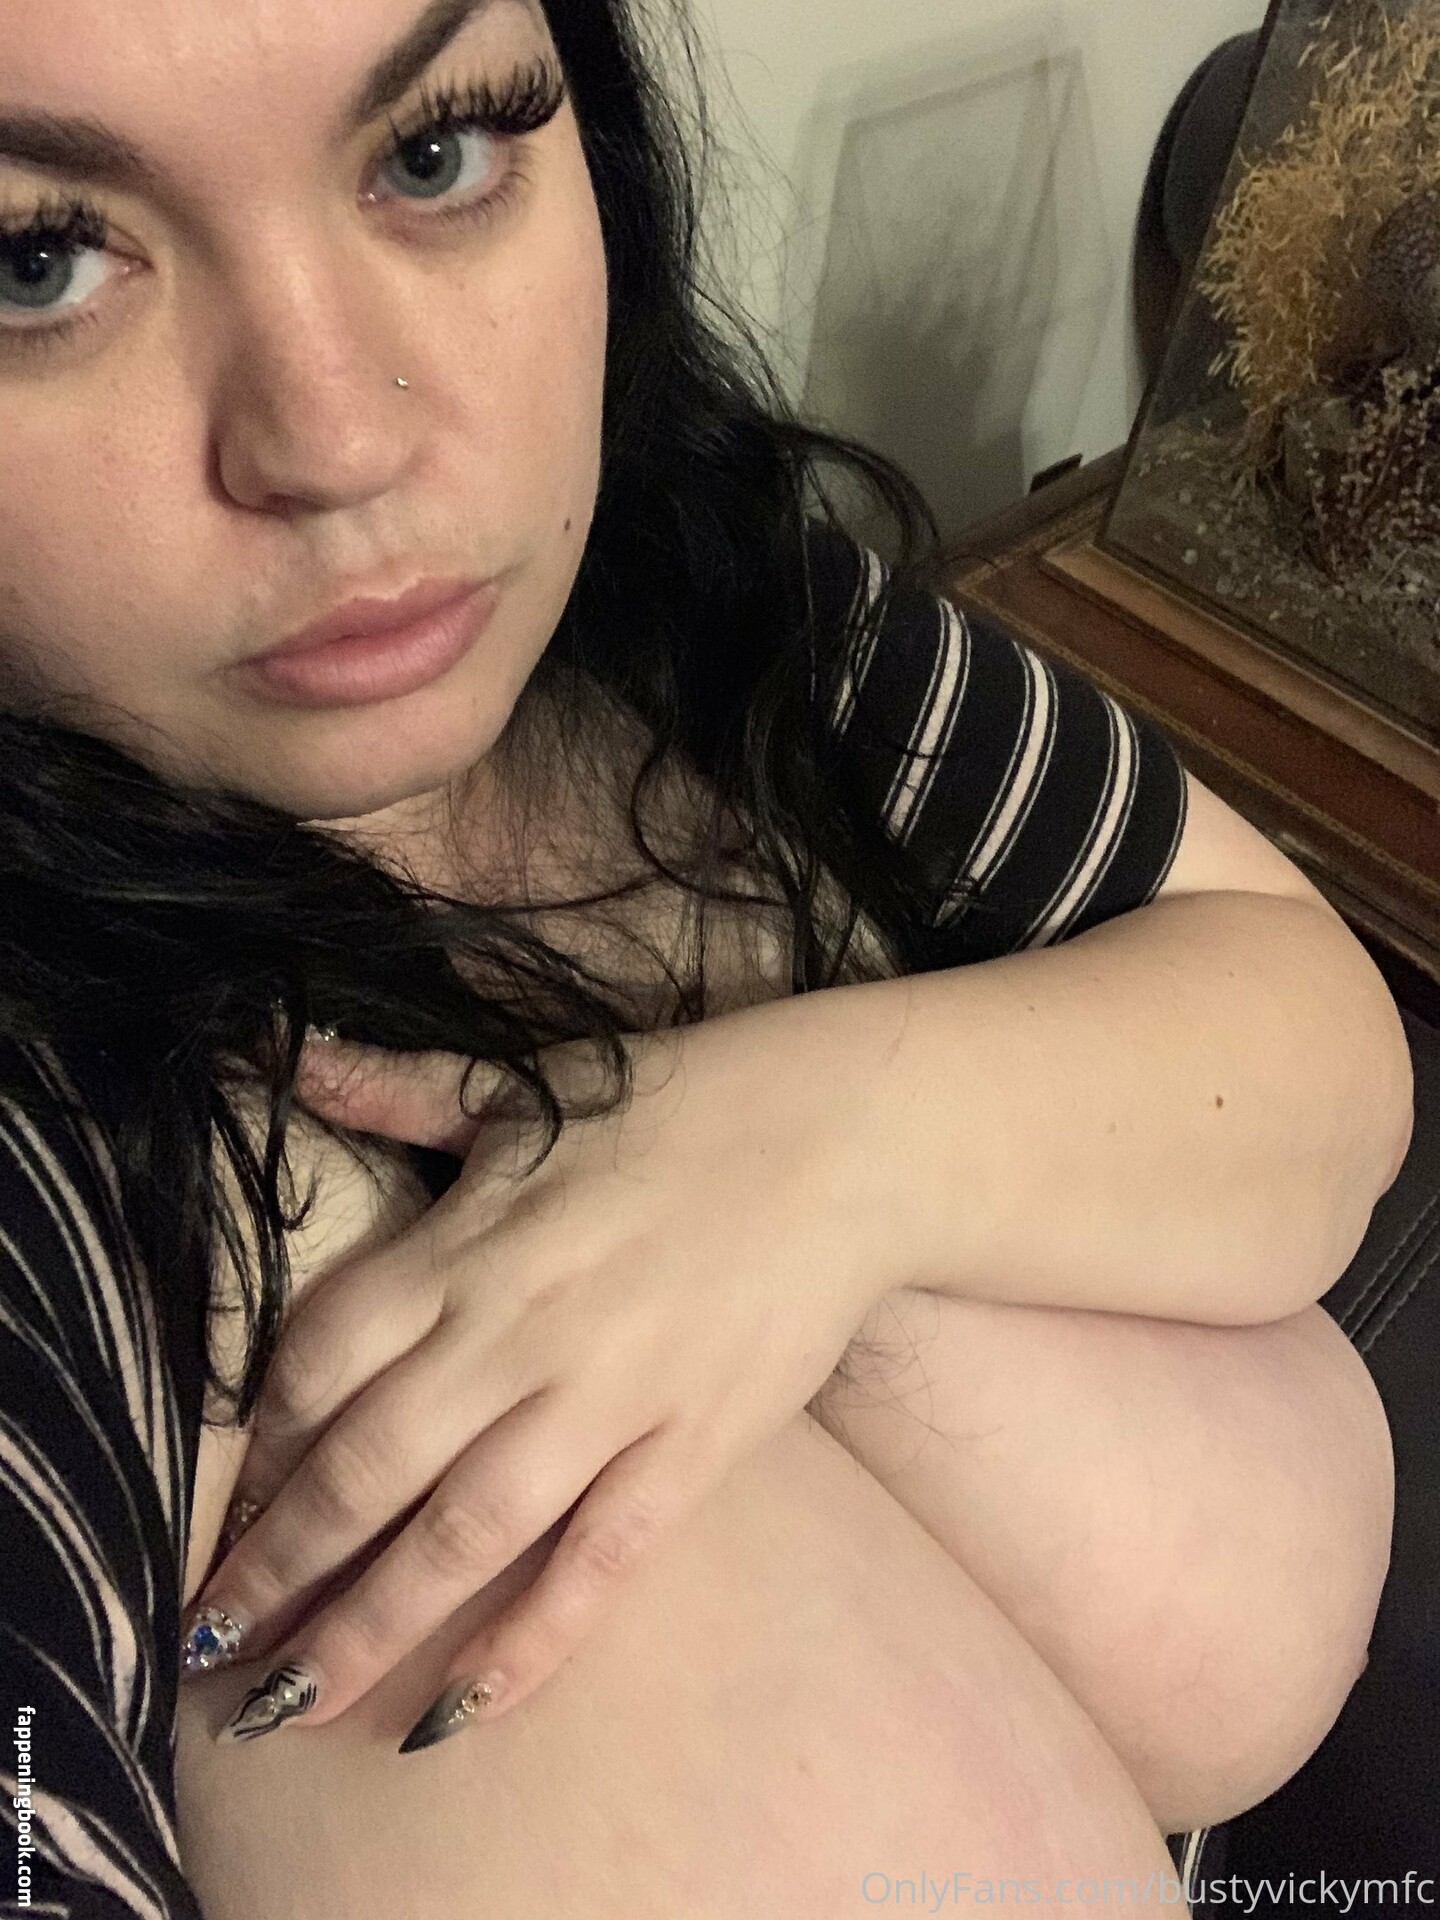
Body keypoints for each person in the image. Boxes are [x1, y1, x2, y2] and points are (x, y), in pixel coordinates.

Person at [0, 0, 1410, 1914]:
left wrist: (801, 1158)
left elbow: (1314, 1037)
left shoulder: (713, 618)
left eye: (433, 151)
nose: (339, 440)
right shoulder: (63, 1134)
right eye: (34, 259)